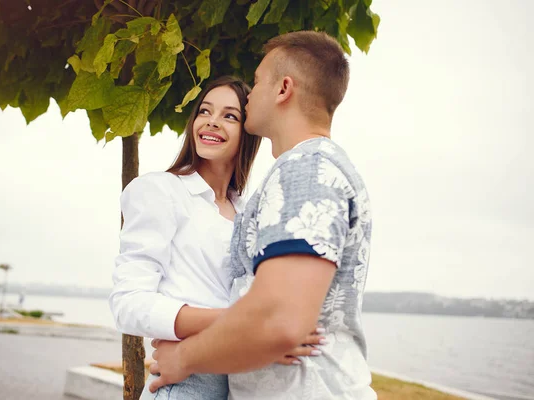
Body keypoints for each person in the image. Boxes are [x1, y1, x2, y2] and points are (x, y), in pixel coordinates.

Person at [149, 31, 376, 400]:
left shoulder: (307, 171)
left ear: (283, 89)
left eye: (256, 82)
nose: (250, 93)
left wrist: (184, 359)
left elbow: (279, 320)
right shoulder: (304, 169)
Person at [109, 76, 324, 399]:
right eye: (204, 111)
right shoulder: (160, 190)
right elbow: (128, 304)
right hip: (186, 384)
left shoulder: (250, 210)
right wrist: (246, 328)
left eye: (229, 116)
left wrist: (260, 337)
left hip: (241, 382)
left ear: (248, 132)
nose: (211, 122)